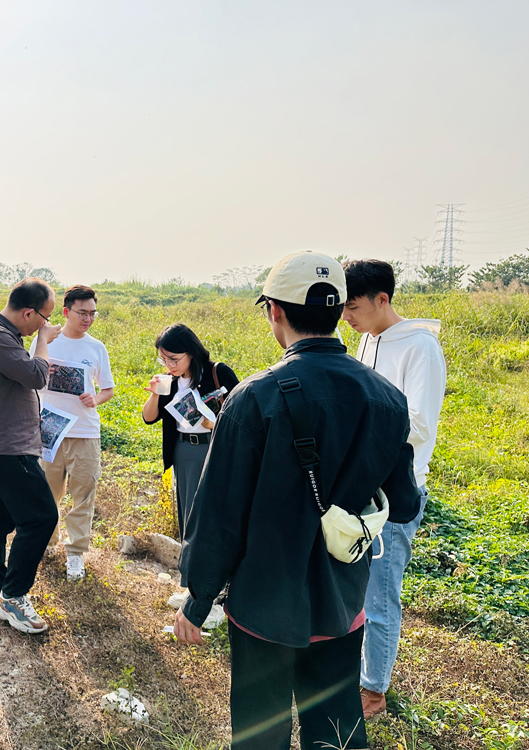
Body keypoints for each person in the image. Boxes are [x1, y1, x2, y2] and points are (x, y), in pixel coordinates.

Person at [173, 251, 421, 750]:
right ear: (336, 312)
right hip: (341, 602)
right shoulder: (388, 398)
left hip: (263, 605)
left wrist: (197, 600)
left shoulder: (254, 399)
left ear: (275, 312)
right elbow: (406, 503)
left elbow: (219, 515)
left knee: (261, 731)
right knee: (335, 728)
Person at [342, 258, 447, 719]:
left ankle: (374, 691)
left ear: (382, 299)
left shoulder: (419, 346)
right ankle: (355, 670)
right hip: (361, 484)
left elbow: (420, 424)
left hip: (397, 489)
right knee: (353, 582)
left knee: (381, 593)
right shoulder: (367, 339)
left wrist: (362, 427)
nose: (346, 316)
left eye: (353, 306)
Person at [0, 278, 62, 634]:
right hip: (8, 447)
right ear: (28, 312)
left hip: (4, 443)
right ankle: (13, 595)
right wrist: (42, 342)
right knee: (40, 517)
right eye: (44, 317)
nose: (46, 324)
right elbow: (37, 375)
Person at [141, 323, 239, 608]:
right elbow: (149, 418)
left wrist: (209, 421)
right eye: (164, 359)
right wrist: (155, 393)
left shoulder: (217, 372)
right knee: (189, 515)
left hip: (214, 449)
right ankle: (191, 584)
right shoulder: (169, 382)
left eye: (174, 359)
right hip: (184, 450)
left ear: (191, 353)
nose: (169, 365)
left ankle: (219, 584)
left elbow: (241, 415)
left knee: (215, 515)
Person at [28, 285, 115, 581]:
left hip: (85, 431)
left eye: (92, 313)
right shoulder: (47, 341)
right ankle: (46, 542)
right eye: (82, 312)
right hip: (51, 428)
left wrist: (96, 398)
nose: (88, 318)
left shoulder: (96, 348)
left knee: (83, 493)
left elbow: (108, 389)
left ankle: (75, 552)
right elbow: (31, 381)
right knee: (45, 491)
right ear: (66, 312)